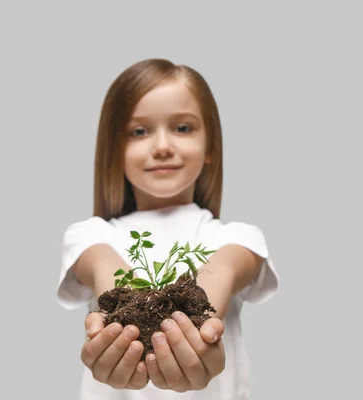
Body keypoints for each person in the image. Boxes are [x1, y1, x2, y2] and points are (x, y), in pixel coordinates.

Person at [56, 58, 279, 399]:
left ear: (211, 148)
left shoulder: (239, 238)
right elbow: (109, 273)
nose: (162, 146)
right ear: (114, 149)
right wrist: (132, 334)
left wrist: (200, 334)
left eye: (183, 128)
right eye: (139, 131)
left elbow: (223, 269)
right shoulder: (90, 235)